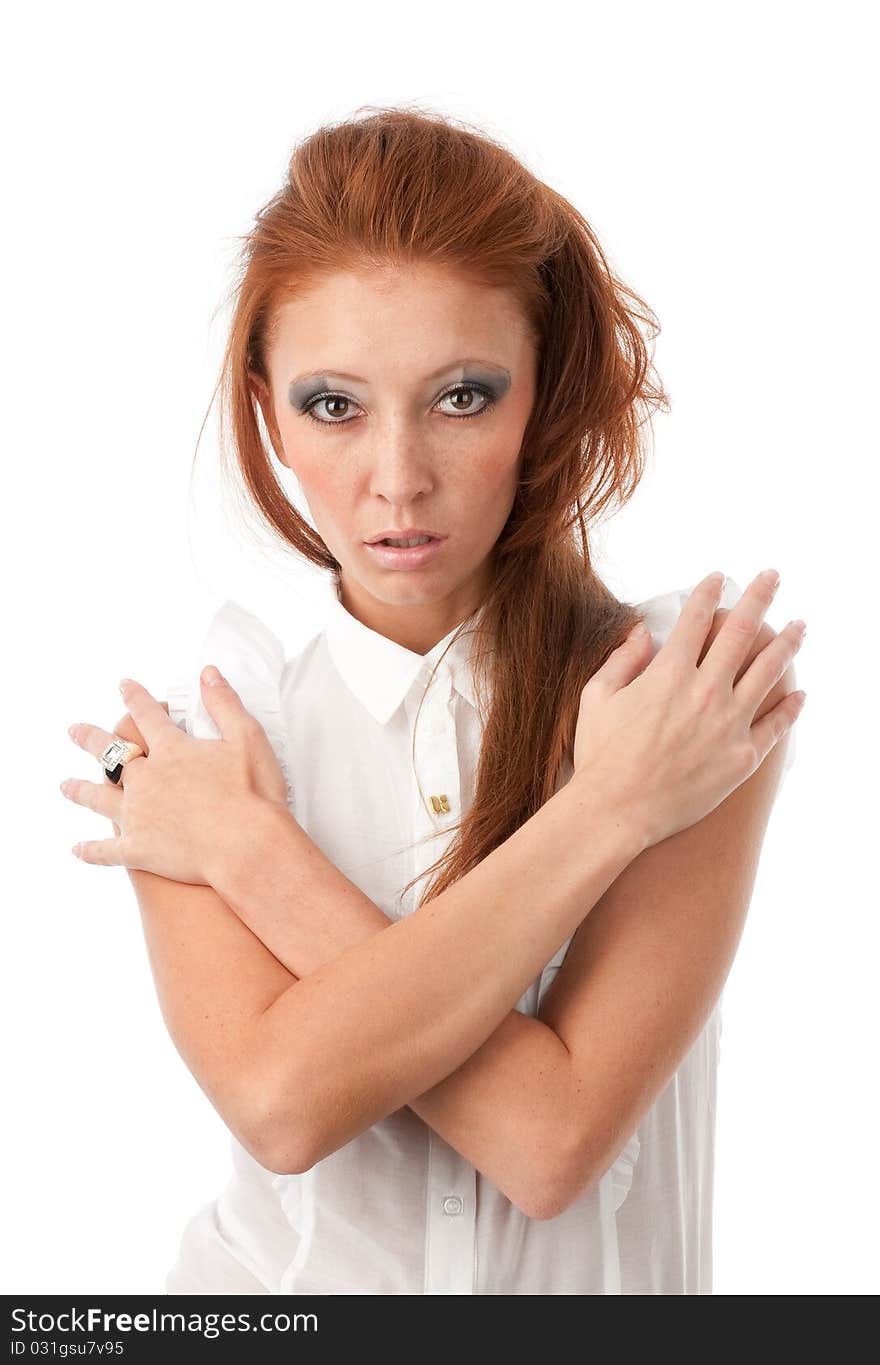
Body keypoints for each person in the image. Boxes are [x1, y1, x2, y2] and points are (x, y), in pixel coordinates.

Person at [62, 106, 805, 1295]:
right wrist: (616, 808)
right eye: (332, 405)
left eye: (462, 396)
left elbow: (549, 1141)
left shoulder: (687, 706)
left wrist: (255, 856)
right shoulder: (206, 752)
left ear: (541, 396)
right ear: (267, 412)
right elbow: (283, 1108)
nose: (396, 478)